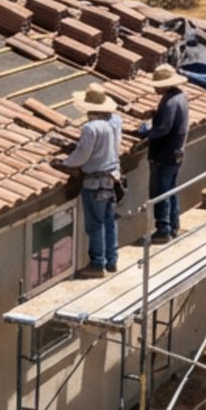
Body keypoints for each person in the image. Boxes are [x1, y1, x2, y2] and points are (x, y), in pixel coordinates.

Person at [55, 84, 123, 277]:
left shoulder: (91, 128)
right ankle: (111, 260)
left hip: (95, 182)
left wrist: (65, 163)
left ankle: (97, 264)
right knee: (109, 221)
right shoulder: (114, 122)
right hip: (111, 179)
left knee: (95, 224)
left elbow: (82, 156)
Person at [138, 64, 190, 243]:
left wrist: (146, 134)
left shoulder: (169, 102)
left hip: (164, 154)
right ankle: (173, 226)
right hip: (176, 153)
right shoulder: (180, 97)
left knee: (160, 192)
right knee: (171, 190)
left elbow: (163, 128)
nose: (154, 88)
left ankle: (163, 230)